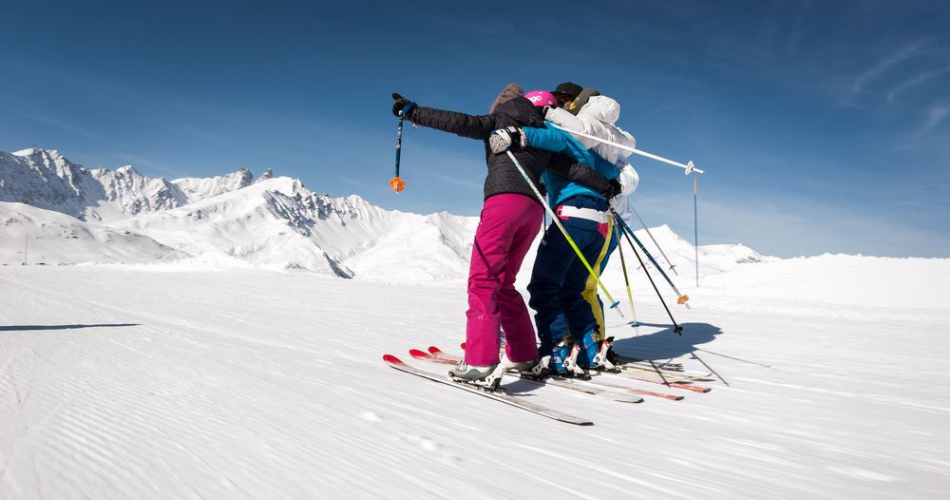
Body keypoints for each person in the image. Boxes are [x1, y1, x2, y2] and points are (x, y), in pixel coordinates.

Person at [390, 86, 612, 383]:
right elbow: (573, 169)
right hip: (533, 211)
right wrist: (607, 186)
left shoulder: (498, 121)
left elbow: (458, 122)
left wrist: (414, 112)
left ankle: (480, 362)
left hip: (504, 204)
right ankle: (523, 355)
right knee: (505, 283)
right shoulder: (542, 134)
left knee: (483, 281)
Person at [489, 85, 638, 376]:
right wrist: (612, 186)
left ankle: (557, 349)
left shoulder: (555, 133)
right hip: (599, 222)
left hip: (571, 216)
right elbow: (605, 171)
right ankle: (589, 349)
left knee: (543, 287)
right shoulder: (586, 144)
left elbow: (546, 137)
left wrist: (519, 135)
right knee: (572, 289)